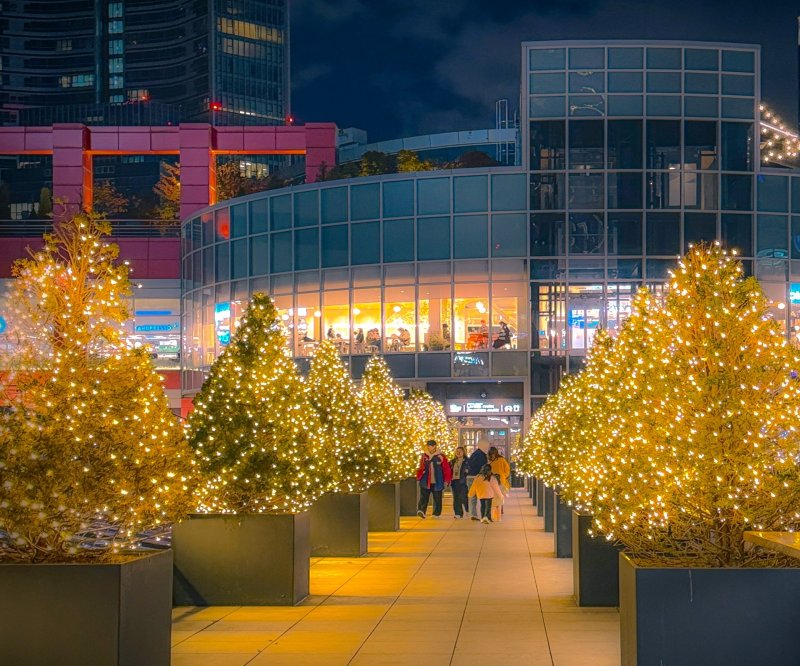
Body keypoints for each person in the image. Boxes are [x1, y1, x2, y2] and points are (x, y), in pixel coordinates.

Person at [416, 440, 452, 518]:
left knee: (437, 498)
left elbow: (446, 468)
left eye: (430, 445)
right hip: (426, 481)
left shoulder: (441, 456)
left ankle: (436, 513)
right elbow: (420, 467)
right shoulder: (424, 456)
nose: (429, 447)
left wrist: (447, 479)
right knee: (424, 497)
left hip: (437, 481)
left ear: (434, 446)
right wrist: (419, 476)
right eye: (428, 445)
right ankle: (421, 511)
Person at [466, 439, 489, 520]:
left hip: (470, 477)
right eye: (487, 445)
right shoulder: (481, 455)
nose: (488, 447)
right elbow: (482, 467)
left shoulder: (475, 454)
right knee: (482, 495)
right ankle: (482, 514)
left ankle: (473, 514)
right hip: (477, 477)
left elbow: (469, 464)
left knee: (472, 495)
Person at [449, 446, 470, 518]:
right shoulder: (452, 462)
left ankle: (468, 510)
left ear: (463, 452)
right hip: (454, 481)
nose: (458, 452)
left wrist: (467, 473)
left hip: (463, 481)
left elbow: (470, 470)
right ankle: (458, 513)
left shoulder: (467, 461)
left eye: (460, 451)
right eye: (457, 451)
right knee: (456, 497)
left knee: (464, 497)